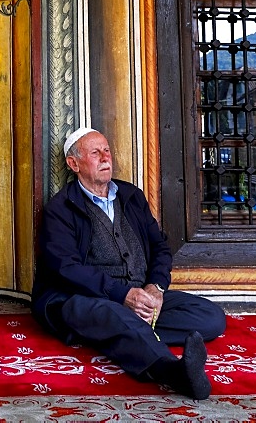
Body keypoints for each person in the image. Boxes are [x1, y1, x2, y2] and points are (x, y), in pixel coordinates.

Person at [31, 127, 226, 400]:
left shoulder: (131, 196)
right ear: (73, 164)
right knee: (109, 313)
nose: (105, 158)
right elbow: (66, 268)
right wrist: (122, 295)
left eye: (107, 151)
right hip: (86, 297)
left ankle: (120, 332)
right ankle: (172, 371)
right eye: (95, 153)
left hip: (139, 292)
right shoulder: (61, 208)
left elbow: (159, 246)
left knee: (210, 317)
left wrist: (156, 287)